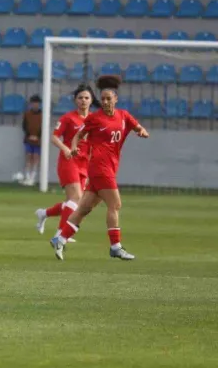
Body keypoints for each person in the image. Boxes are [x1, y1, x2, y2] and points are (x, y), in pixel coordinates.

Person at [51, 75, 149, 261]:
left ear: (115, 99)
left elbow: (137, 127)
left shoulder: (123, 116)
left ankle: (60, 238)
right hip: (99, 168)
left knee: (83, 209)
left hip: (110, 168)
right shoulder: (95, 119)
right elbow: (78, 136)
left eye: (108, 98)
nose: (104, 102)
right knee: (115, 204)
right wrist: (72, 148)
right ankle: (115, 247)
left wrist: (141, 131)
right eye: (102, 99)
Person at [35, 85, 99, 239]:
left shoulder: (94, 120)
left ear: (91, 101)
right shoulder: (68, 118)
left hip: (85, 164)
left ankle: (43, 213)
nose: (83, 100)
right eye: (80, 98)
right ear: (75, 100)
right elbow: (54, 136)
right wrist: (65, 148)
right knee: (76, 199)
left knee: (76, 203)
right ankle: (61, 234)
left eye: (86, 98)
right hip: (69, 161)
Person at [20, 94, 42, 186]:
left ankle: (33, 177)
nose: (35, 105)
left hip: (39, 139)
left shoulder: (42, 114)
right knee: (29, 156)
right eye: (33, 103)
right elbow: (24, 126)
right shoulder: (27, 114)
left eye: (37, 103)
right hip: (28, 138)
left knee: (36, 157)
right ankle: (27, 176)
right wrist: (29, 135)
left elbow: (43, 127)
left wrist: (38, 136)